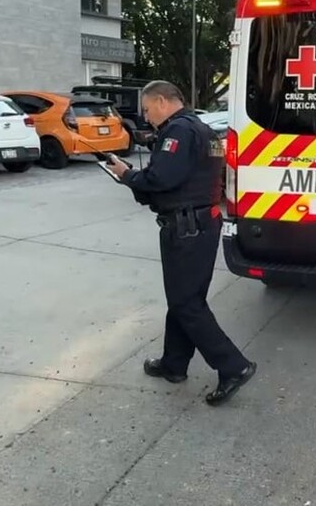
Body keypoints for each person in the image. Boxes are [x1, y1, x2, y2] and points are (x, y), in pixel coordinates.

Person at [105, 81, 257, 406]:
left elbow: (162, 178)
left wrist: (127, 175)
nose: (146, 117)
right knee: (184, 298)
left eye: (147, 109)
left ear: (162, 101)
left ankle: (233, 366)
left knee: (187, 303)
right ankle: (174, 363)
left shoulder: (179, 132)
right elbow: (182, 178)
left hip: (186, 228)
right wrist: (137, 178)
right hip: (201, 223)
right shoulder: (203, 130)